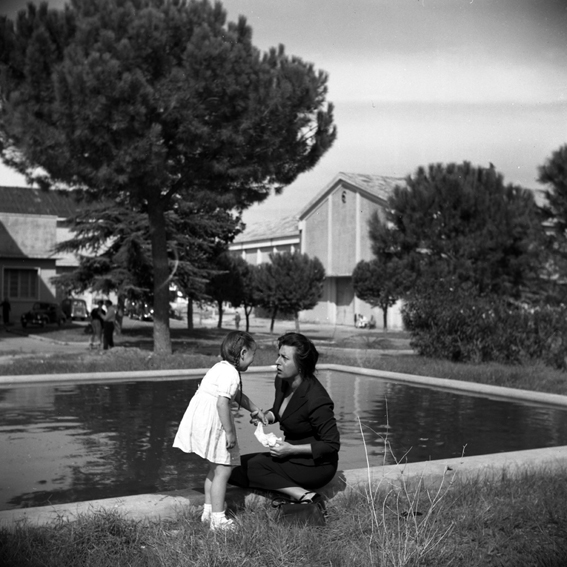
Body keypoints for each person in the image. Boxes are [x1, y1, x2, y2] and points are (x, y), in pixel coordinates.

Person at [229, 332, 340, 508]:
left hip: (316, 465)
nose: (277, 362)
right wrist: (266, 417)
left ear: (301, 365)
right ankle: (294, 489)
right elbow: (281, 412)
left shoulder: (316, 399)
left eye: (285, 358)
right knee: (233, 467)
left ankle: (305, 496)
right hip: (289, 456)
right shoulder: (282, 382)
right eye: (278, 355)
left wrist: (291, 450)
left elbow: (332, 444)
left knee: (254, 467)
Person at [173, 331, 267, 531]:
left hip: (202, 421)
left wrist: (255, 409)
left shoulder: (220, 367)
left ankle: (208, 512)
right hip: (215, 423)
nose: (252, 361)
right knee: (224, 470)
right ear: (242, 353)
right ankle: (218, 519)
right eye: (252, 356)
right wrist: (230, 432)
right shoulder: (231, 374)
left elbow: (237, 395)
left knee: (215, 469)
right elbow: (222, 403)